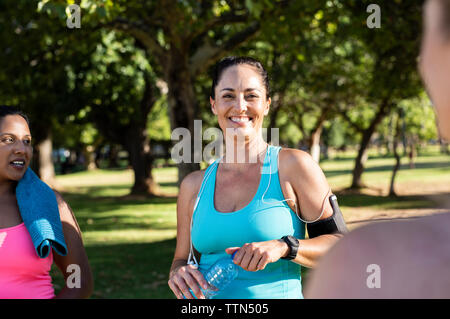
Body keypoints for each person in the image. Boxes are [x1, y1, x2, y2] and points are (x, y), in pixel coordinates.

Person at [168, 56, 348, 299]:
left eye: (251, 96)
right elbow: (181, 259)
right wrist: (179, 273)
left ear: (266, 104)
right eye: (228, 95)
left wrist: (285, 246)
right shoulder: (193, 186)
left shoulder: (294, 167)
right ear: (214, 105)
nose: (240, 106)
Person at [304, 0, 450, 298]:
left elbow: (331, 236)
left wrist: (287, 247)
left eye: (429, 30)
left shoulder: (371, 260)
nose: (421, 60)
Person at [0, 105, 93, 298]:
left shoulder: (50, 204)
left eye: (27, 141)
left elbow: (79, 280)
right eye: (8, 140)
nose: (21, 149)